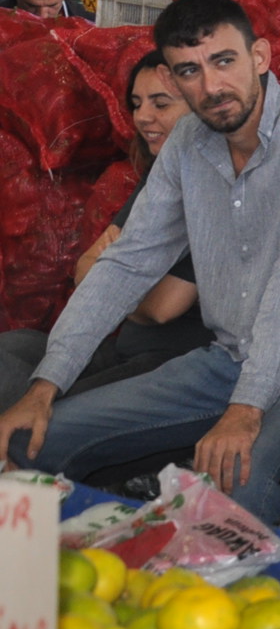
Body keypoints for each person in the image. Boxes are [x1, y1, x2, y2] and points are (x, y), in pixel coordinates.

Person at [0, 0, 280, 525]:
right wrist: (44, 386)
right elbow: (128, 263)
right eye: (189, 70)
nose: (211, 87)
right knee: (29, 441)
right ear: (172, 77)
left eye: (224, 61)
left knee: (238, 468)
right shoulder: (189, 143)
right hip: (232, 358)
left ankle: (259, 599)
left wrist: (246, 408)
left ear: (259, 57)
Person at [0, 53, 212, 412]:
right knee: (10, 351)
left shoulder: (211, 187)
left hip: (170, 363)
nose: (143, 116)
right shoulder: (158, 176)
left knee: (47, 414)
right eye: (136, 104)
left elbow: (162, 308)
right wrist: (113, 278)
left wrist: (111, 277)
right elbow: (85, 267)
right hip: (122, 347)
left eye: (161, 103)